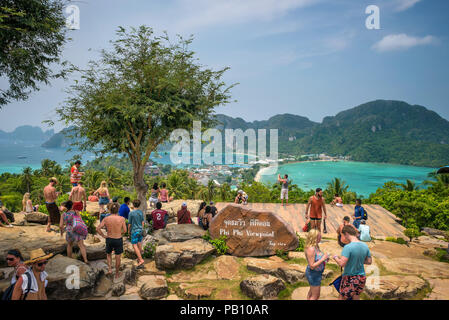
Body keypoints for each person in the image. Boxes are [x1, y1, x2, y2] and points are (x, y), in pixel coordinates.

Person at [333, 225, 372, 300]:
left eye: (343, 235)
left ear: (346, 233)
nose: (344, 237)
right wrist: (358, 259)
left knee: (342, 296)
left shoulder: (348, 247)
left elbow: (342, 263)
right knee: (356, 296)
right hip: (361, 277)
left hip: (350, 276)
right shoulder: (365, 245)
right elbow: (369, 261)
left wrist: (336, 258)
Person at [96, 203, 126, 279]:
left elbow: (98, 228)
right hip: (118, 239)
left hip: (109, 238)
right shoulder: (122, 219)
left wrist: (103, 235)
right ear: (118, 210)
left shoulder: (106, 219)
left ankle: (109, 269)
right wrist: (120, 232)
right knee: (118, 257)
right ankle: (116, 274)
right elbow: (125, 230)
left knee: (108, 254)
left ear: (110, 210)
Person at [305, 229, 329, 300]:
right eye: (319, 236)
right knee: (315, 296)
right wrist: (323, 259)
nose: (321, 237)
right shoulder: (311, 249)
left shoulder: (316, 246)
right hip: (313, 274)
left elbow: (317, 259)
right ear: (314, 237)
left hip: (317, 273)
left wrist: (325, 259)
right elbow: (312, 266)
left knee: (311, 293)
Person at [127, 199, 145, 268]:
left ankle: (140, 260)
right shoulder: (140, 212)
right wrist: (141, 229)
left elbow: (129, 224)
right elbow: (142, 222)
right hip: (140, 230)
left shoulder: (131, 213)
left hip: (134, 231)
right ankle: (139, 256)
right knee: (139, 243)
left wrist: (128, 231)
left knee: (134, 245)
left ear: (133, 204)